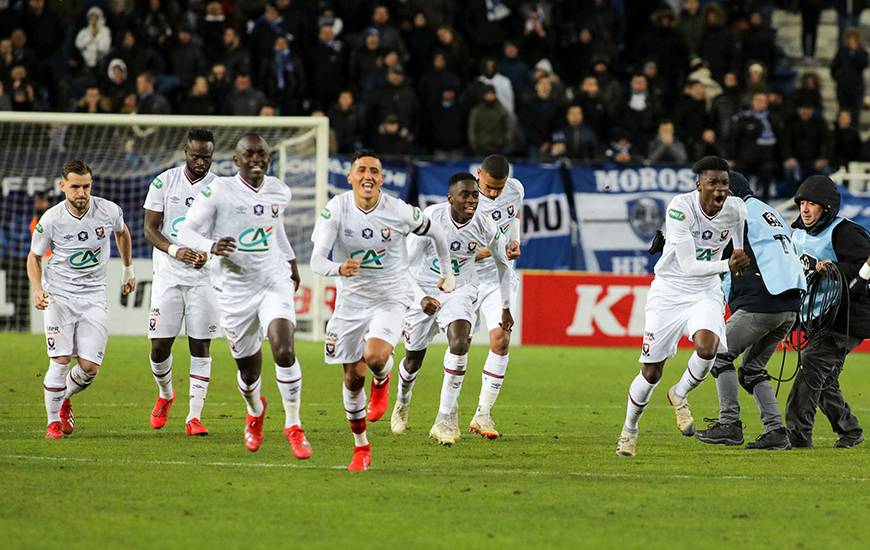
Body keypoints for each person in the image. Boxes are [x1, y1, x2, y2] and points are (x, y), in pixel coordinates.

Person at [309, 149, 454, 471]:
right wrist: (337, 269)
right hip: (350, 304)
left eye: (374, 171)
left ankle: (383, 376)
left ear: (382, 179)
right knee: (351, 377)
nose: (368, 176)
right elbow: (317, 260)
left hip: (390, 299)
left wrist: (447, 270)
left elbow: (436, 230)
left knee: (374, 356)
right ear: (350, 177)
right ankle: (361, 446)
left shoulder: (398, 211)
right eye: (361, 170)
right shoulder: (337, 209)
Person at [177, 133, 312, 459]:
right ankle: (255, 412)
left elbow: (274, 229)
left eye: (262, 154)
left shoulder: (280, 190)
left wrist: (292, 265)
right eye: (249, 154)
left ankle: (294, 424)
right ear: (236, 160)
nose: (256, 159)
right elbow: (184, 230)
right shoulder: (218, 190)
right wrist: (210, 247)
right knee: (249, 372)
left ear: (269, 158)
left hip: (272, 283)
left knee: (284, 348)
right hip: (235, 291)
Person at [616, 156, 750, 457]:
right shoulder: (680, 208)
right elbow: (688, 265)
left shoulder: (736, 208)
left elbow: (738, 245)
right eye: (713, 182)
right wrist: (729, 263)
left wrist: (738, 260)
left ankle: (679, 393)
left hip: (705, 290)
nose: (720, 189)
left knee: (708, 346)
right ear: (699, 184)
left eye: (725, 183)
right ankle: (629, 430)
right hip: (669, 291)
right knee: (651, 372)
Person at [391, 172, 514, 444]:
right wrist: (420, 297)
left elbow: (503, 265)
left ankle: (444, 419)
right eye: (465, 195)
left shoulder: (485, 225)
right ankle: (402, 401)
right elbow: (403, 265)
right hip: (423, 289)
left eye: (474, 194)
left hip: (460, 289)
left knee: (459, 343)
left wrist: (505, 307)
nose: (471, 199)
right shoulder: (431, 221)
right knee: (413, 361)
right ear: (450, 199)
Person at [695, 172, 806, 450]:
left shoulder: (736, 212)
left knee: (717, 355)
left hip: (762, 300)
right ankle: (776, 432)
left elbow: (707, 252)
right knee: (752, 369)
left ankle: (729, 424)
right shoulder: (768, 212)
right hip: (790, 303)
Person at [28, 160, 136, 440]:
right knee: (61, 360)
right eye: (75, 186)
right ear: (63, 186)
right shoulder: (51, 219)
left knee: (89, 368)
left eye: (86, 186)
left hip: (93, 296)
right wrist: (38, 289)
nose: (81, 192)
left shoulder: (109, 211)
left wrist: (127, 269)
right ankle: (53, 423)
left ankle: (63, 397)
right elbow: (34, 257)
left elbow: (123, 233)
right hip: (59, 296)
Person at [142, 129, 220, 436]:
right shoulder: (164, 182)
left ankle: (194, 417)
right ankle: (165, 394)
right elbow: (150, 228)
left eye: (206, 157)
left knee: (200, 346)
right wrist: (177, 251)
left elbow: (229, 234)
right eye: (195, 155)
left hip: (204, 279)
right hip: (168, 276)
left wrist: (208, 255)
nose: (200, 162)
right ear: (185, 152)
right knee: (159, 347)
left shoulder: (221, 188)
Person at [786, 175, 870, 449]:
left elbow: (864, 270)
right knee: (823, 378)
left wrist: (835, 269)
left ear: (828, 208)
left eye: (813, 204)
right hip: (819, 316)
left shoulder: (845, 232)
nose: (805, 209)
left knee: (812, 364)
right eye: (802, 203)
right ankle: (850, 429)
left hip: (848, 318)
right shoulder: (796, 232)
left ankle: (797, 435)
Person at [464, 155, 523, 439]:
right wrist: (486, 252)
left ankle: (483, 414)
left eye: (498, 188)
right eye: (488, 187)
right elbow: (454, 245)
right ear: (478, 175)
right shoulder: (464, 198)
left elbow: (515, 218)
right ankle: (405, 397)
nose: (492, 193)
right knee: (453, 345)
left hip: (498, 279)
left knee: (501, 339)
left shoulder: (516, 190)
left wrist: (514, 243)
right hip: (464, 278)